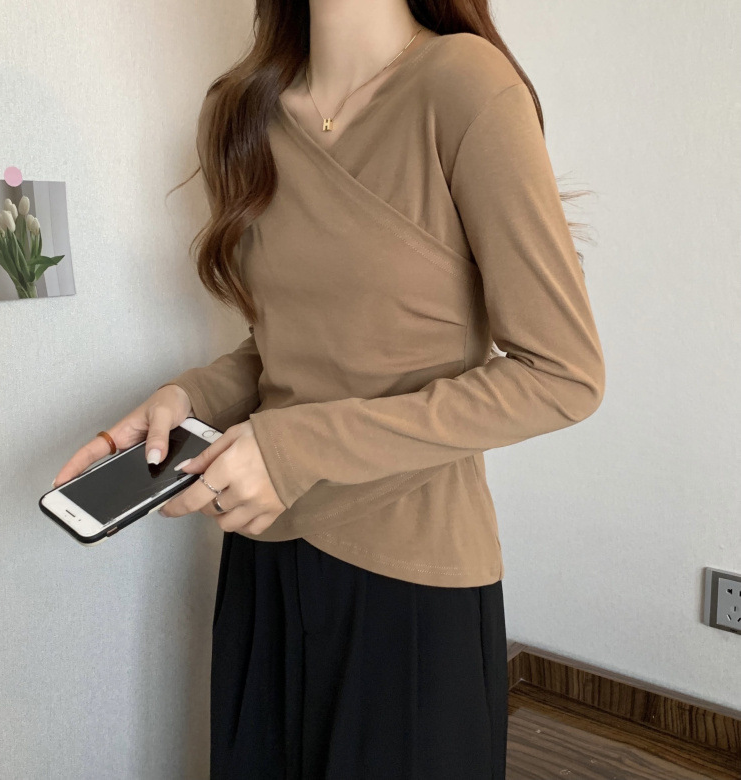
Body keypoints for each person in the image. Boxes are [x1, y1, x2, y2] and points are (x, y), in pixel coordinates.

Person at [53, 2, 605, 777]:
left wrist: (295, 449)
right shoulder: (241, 111)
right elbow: (288, 347)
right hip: (263, 565)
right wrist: (189, 400)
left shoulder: (464, 86)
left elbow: (562, 375)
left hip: (411, 579)